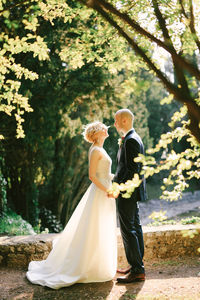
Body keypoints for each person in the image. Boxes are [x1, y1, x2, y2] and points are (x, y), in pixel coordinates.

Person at [26, 121, 117, 289]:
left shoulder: (100, 149)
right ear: (97, 133)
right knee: (94, 227)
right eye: (103, 127)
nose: (106, 128)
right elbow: (92, 176)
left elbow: (103, 173)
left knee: (101, 227)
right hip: (100, 193)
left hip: (105, 191)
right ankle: (86, 266)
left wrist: (115, 181)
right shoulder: (96, 150)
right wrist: (108, 190)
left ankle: (98, 264)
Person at [113, 109, 147, 283]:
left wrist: (118, 188)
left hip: (128, 192)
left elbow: (132, 170)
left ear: (124, 121)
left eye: (116, 120)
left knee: (129, 230)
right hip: (131, 192)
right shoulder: (132, 138)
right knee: (135, 227)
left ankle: (137, 270)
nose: (114, 124)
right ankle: (136, 265)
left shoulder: (131, 140)